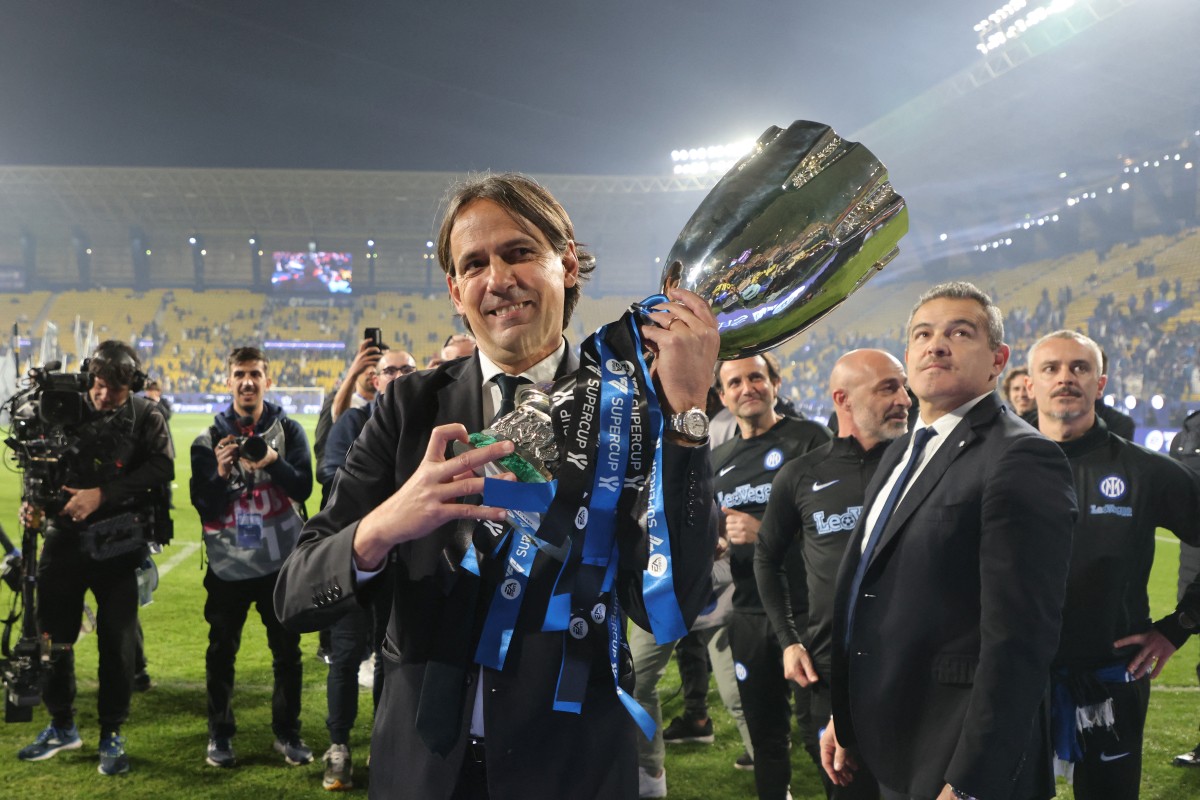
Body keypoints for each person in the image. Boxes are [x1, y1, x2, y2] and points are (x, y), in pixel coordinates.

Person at [274, 172, 720, 799]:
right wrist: (385, 524)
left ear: (567, 263)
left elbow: (673, 604)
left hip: (573, 769)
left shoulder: (630, 409)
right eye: (474, 264)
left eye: (519, 252)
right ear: (456, 291)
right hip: (423, 769)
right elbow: (295, 595)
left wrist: (688, 419)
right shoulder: (407, 408)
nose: (498, 279)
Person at [821, 281, 1078, 800]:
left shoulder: (1020, 456)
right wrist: (844, 715)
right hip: (892, 734)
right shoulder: (902, 450)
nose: (936, 345)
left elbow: (1020, 639)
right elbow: (869, 592)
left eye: (960, 333)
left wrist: (971, 780)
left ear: (997, 360)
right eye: (922, 334)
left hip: (955, 752)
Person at [1023, 330, 1200, 798]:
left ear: (1100, 383)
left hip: (1112, 678)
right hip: (1014, 679)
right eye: (1051, 368)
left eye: (1080, 367)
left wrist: (1181, 624)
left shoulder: (1143, 469)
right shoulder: (997, 464)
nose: (1066, 377)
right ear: (1031, 383)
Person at [756, 348, 912, 800]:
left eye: (904, 387)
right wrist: (789, 640)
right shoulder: (802, 475)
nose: (904, 399)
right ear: (843, 399)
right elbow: (767, 557)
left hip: (913, 667)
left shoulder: (922, 466)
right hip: (832, 672)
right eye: (888, 388)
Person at [17, 341, 174, 776]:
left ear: (133, 386)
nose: (105, 395)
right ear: (90, 376)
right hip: (62, 540)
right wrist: (33, 504)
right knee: (53, 639)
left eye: (116, 390)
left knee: (116, 643)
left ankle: (111, 732)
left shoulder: (146, 415)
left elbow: (162, 468)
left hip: (119, 543)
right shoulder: (61, 407)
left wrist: (101, 495)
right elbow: (38, 464)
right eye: (100, 385)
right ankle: (61, 725)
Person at [712, 353, 832, 800]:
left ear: (775, 383)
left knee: (822, 736)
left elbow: (838, 525)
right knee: (765, 740)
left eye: (756, 377)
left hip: (808, 611)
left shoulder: (810, 439)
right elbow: (720, 528)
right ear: (722, 396)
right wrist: (718, 543)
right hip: (748, 612)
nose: (747, 388)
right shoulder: (718, 459)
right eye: (735, 382)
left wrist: (763, 532)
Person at [190, 346, 314, 769]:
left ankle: (288, 733)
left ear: (267, 380)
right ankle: (220, 735)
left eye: (255, 374)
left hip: (281, 563)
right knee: (221, 652)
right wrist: (221, 472)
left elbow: (303, 488)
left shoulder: (289, 431)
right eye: (240, 374)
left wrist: (273, 460)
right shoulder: (208, 439)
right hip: (228, 564)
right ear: (229, 381)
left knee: (287, 652)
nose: (247, 382)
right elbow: (203, 505)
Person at [316, 347, 416, 790]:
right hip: (354, 558)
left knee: (388, 656)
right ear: (375, 380)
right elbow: (331, 475)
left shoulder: (425, 424)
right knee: (344, 654)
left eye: (406, 369)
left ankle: (381, 740)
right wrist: (399, 497)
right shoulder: (354, 423)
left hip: (404, 563)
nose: (398, 375)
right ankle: (338, 746)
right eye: (389, 370)